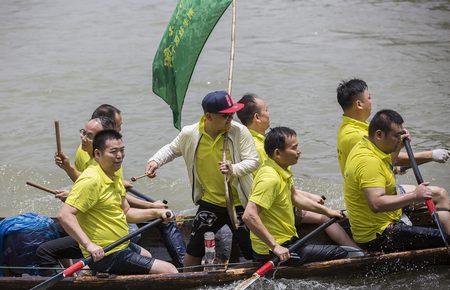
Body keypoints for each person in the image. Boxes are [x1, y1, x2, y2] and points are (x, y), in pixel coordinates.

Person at [145, 90, 259, 269]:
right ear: (208, 116)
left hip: (240, 203)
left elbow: (253, 161)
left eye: (232, 114)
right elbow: (172, 149)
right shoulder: (190, 133)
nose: (231, 119)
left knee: (253, 250)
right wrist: (155, 161)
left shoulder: (238, 131)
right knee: (193, 250)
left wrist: (234, 169)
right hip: (211, 202)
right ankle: (189, 279)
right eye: (225, 116)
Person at [237, 94, 359, 249]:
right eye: (266, 110)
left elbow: (283, 184)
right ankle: (355, 250)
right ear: (257, 117)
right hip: (273, 206)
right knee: (324, 217)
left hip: (271, 198)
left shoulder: (251, 141)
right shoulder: (260, 149)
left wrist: (308, 196)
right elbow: (272, 185)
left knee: (318, 202)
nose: (269, 113)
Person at [58, 129, 178, 274]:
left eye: (122, 150)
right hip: (105, 254)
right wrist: (89, 245)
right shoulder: (91, 180)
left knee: (147, 255)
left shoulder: (113, 176)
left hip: (121, 244)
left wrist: (157, 212)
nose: (119, 156)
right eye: (113, 151)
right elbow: (64, 215)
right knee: (169, 270)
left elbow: (126, 212)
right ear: (97, 154)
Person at [336, 79, 450, 217]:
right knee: (440, 195)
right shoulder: (356, 136)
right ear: (359, 104)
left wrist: (397, 143)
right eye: (369, 97)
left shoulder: (352, 127)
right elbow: (386, 161)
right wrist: (431, 155)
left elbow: (385, 160)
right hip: (370, 197)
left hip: (372, 187)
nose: (371, 101)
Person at [344, 109, 450, 252]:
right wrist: (414, 195)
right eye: (396, 136)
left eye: (401, 135)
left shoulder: (367, 144)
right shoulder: (369, 162)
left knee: (439, 194)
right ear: (379, 135)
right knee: (444, 239)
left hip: (387, 217)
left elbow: (389, 164)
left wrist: (398, 146)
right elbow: (376, 204)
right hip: (379, 236)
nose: (400, 139)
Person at [243, 127, 348, 264]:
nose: (299, 151)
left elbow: (295, 198)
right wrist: (275, 247)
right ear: (277, 153)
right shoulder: (270, 178)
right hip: (273, 251)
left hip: (287, 239)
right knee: (340, 252)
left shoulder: (281, 168)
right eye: (294, 148)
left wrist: (328, 211)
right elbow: (249, 215)